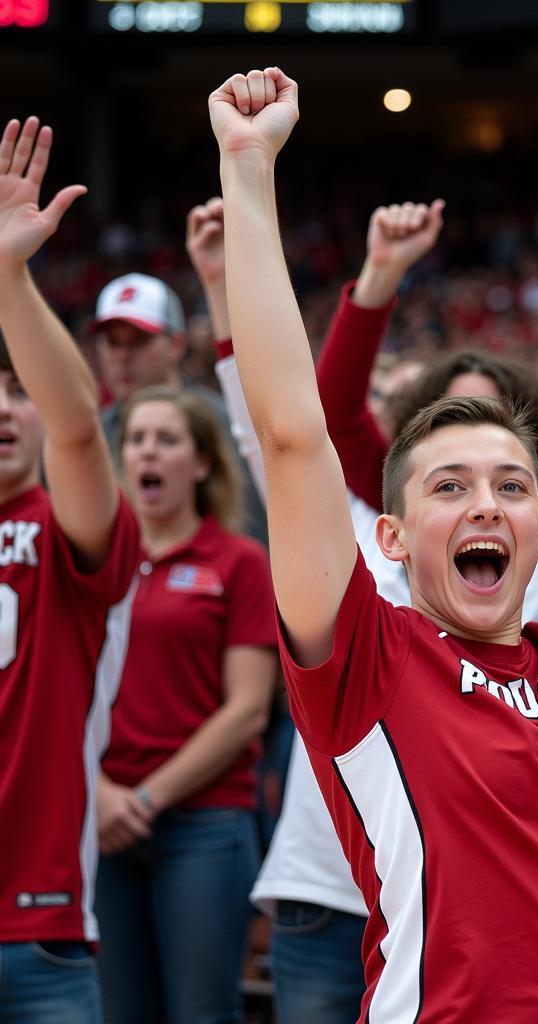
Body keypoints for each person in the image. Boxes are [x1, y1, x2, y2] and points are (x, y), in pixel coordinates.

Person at [211, 65, 538, 1022]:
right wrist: (248, 167)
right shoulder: (366, 657)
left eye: (511, 486)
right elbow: (291, 431)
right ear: (388, 535)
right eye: (450, 485)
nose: (486, 504)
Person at [0, 116, 139, 1023]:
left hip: (36, 927)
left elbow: (82, 427)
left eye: (20, 391)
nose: (5, 409)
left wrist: (8, 276)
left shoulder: (63, 527)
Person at [93, 387, 278, 1024]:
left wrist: (142, 800)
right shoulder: (93, 564)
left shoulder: (239, 562)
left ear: (201, 463)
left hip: (203, 824)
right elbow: (58, 692)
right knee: (117, 1013)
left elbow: (248, 710)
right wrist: (97, 792)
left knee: (201, 1013)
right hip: (99, 819)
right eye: (137, 439)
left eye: (167, 439)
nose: (149, 451)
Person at [91, 268, 267, 545]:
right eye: (112, 342)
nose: (122, 355)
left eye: (138, 340)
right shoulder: (93, 434)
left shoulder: (223, 420)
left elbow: (251, 528)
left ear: (176, 344)